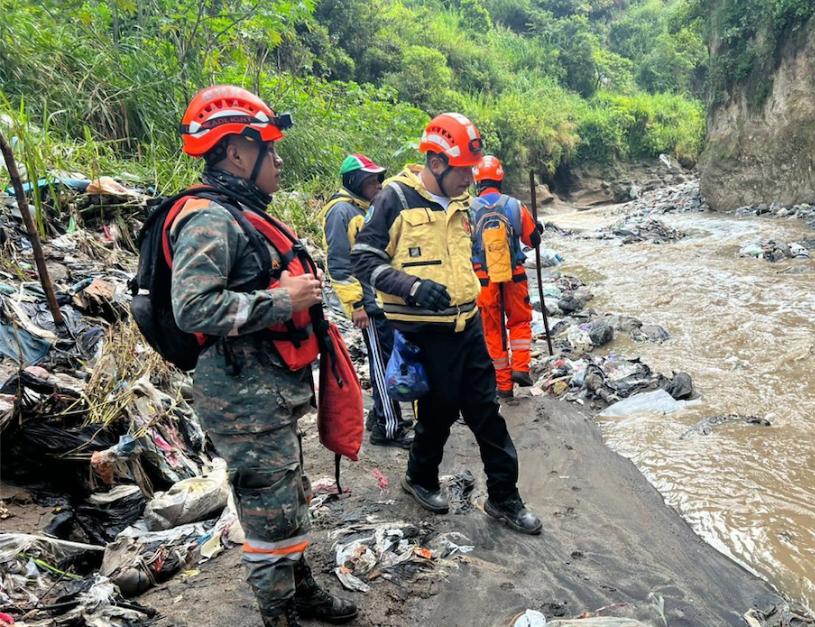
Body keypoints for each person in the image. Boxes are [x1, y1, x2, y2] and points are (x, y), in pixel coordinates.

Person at [171, 85, 356, 627]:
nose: (277, 161)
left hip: (268, 391)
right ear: (236, 153)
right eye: (269, 151)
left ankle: (301, 590)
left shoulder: (240, 212)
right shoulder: (209, 217)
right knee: (268, 512)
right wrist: (284, 299)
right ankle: (278, 615)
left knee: (289, 493)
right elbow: (193, 307)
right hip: (241, 399)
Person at [351, 113, 542, 535]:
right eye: (464, 171)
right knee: (436, 415)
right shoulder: (395, 199)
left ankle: (504, 498)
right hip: (423, 333)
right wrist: (412, 286)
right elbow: (363, 258)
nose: (471, 180)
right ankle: (419, 478)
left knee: (486, 414)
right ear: (437, 164)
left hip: (468, 326)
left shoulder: (462, 204)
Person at [321, 154, 413, 448]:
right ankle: (389, 427)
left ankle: (380, 414)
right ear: (355, 182)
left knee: (384, 358)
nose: (378, 184)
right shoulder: (341, 213)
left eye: (378, 179)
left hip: (380, 299)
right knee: (382, 363)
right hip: (369, 304)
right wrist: (357, 305)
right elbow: (338, 264)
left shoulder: (362, 210)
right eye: (372, 180)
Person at [470, 155, 542, 398]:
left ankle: (503, 386)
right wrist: (537, 228)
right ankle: (521, 367)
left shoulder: (468, 208)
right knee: (519, 321)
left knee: (493, 330)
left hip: (483, 280)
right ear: (500, 178)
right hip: (514, 275)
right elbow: (532, 240)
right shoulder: (514, 205)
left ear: (476, 180)